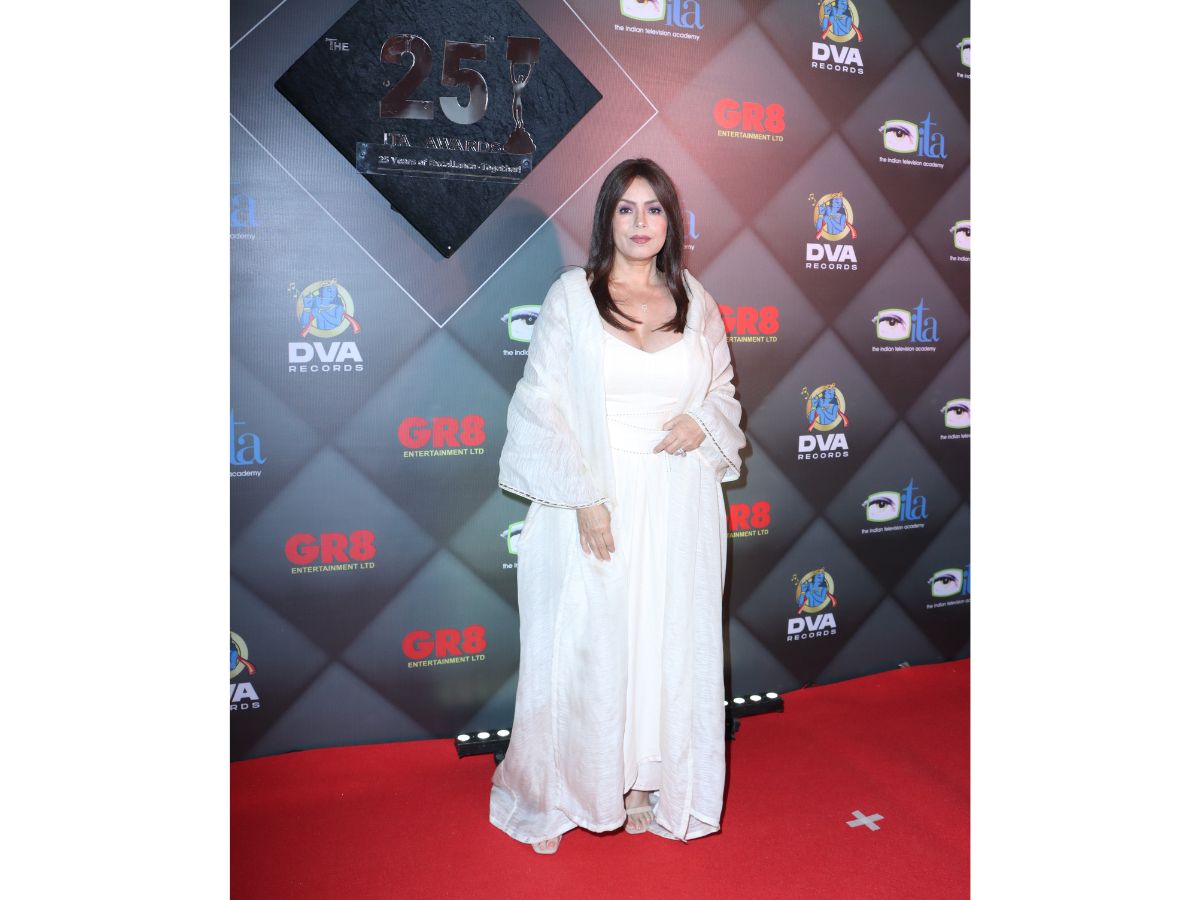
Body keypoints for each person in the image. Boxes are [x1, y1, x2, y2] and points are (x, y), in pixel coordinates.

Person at [490, 158, 745, 854]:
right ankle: (578, 783)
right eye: (626, 208)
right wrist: (584, 500)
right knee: (595, 643)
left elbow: (722, 391)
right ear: (607, 217)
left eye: (654, 209)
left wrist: (702, 421)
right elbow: (542, 403)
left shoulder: (696, 299)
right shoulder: (572, 297)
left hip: (680, 499)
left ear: (671, 221)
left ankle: (643, 779)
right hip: (597, 497)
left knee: (665, 640)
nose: (640, 223)